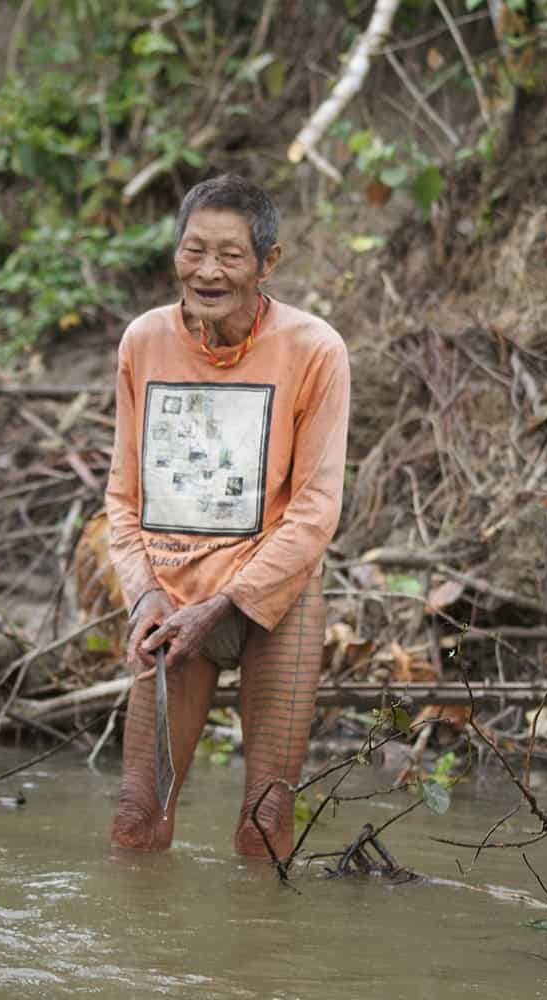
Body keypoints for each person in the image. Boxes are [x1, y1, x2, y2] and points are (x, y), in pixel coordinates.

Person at [105, 174, 350, 858]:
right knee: (135, 819)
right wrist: (145, 592)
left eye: (230, 256)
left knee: (265, 825)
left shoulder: (314, 349)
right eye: (193, 251)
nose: (208, 272)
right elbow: (123, 497)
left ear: (267, 263)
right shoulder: (144, 341)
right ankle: (140, 964)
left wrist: (230, 601)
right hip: (174, 597)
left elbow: (314, 509)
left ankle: (255, 968)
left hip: (277, 600)